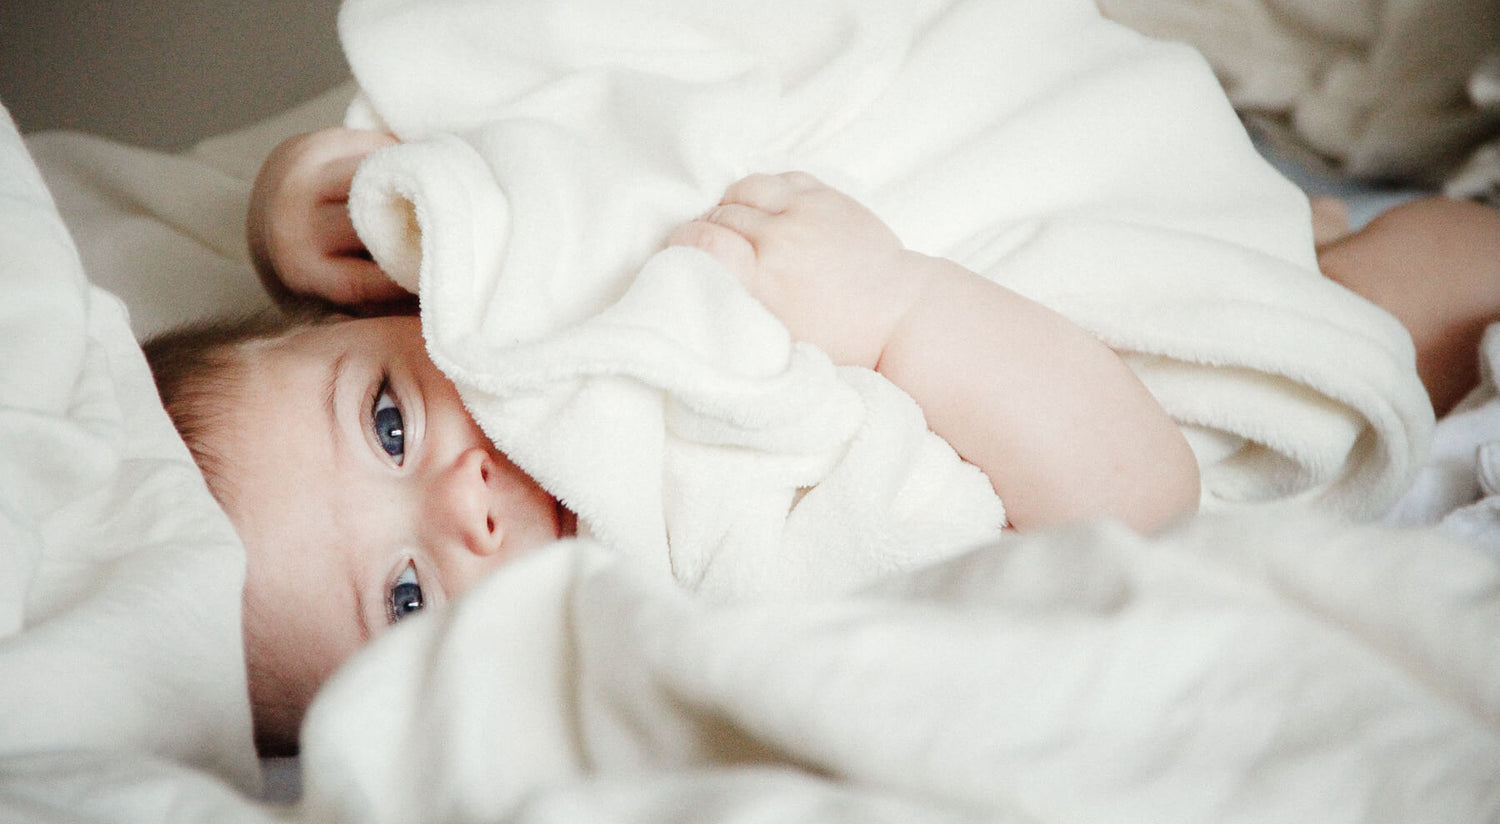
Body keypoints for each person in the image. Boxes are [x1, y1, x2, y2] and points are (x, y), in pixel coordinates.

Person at [149, 127, 1500, 753]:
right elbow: (1140, 509)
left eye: (388, 421)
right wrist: (899, 309)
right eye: (404, 595)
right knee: (1403, 296)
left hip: (1065, 217)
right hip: (1106, 385)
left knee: (1306, 236)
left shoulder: (537, 302)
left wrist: (306, 204)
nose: (464, 510)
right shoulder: (706, 592)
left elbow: (481, 164)